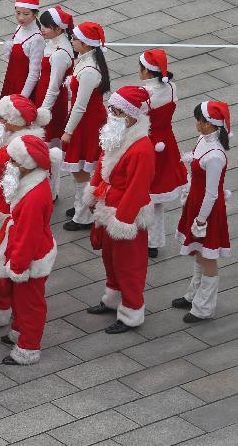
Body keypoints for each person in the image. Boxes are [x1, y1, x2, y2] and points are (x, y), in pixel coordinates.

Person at [0, 95, 50, 333]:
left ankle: (1, 310)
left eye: (2, 118)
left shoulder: (21, 147)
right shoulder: (23, 140)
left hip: (7, 211)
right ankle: (1, 310)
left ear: (16, 122)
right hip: (4, 204)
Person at [84, 86, 154, 334]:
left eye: (116, 110)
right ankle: (113, 298)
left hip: (126, 214)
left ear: (131, 114)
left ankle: (132, 312)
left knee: (129, 265)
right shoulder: (119, 133)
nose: (110, 114)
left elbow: (137, 189)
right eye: (110, 109)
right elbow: (102, 162)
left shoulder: (142, 148)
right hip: (108, 204)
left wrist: (121, 220)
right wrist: (93, 190)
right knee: (110, 259)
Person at [0, 135, 57, 365]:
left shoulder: (33, 197)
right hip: (25, 251)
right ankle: (19, 331)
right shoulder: (32, 184)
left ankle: (28, 347)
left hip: (30, 258)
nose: (8, 164)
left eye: (12, 161)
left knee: (30, 303)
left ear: (25, 165)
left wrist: (17, 265)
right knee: (21, 299)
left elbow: (28, 237)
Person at [173, 101, 231, 322]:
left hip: (206, 211)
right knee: (198, 251)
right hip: (196, 204)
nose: (196, 122)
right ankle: (193, 295)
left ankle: (204, 308)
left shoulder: (215, 155)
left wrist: (200, 220)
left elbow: (212, 194)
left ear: (208, 124)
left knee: (208, 257)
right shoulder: (203, 140)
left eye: (199, 119)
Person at [62, 21, 110, 231]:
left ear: (86, 44)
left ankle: (84, 216)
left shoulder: (90, 70)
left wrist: (68, 131)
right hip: (85, 120)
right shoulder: (86, 60)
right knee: (80, 168)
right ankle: (81, 204)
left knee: (81, 169)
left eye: (75, 39)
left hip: (86, 123)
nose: (72, 41)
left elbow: (80, 106)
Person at [141, 49, 188, 258]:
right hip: (166, 141)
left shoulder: (144, 94)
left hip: (148, 142)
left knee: (145, 191)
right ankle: (155, 239)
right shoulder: (171, 87)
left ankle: (145, 237)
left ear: (147, 72)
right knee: (157, 193)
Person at [34, 6, 75, 149]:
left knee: (48, 145)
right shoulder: (54, 43)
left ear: (58, 29)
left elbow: (54, 86)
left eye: (46, 27)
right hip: (43, 94)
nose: (42, 29)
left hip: (52, 102)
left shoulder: (60, 53)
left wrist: (44, 111)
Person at [0, 0, 43, 99]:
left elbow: (34, 73)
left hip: (23, 87)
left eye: (26, 14)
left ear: (35, 14)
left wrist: (22, 98)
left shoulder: (36, 39)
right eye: (18, 13)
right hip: (11, 79)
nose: (21, 18)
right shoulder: (19, 27)